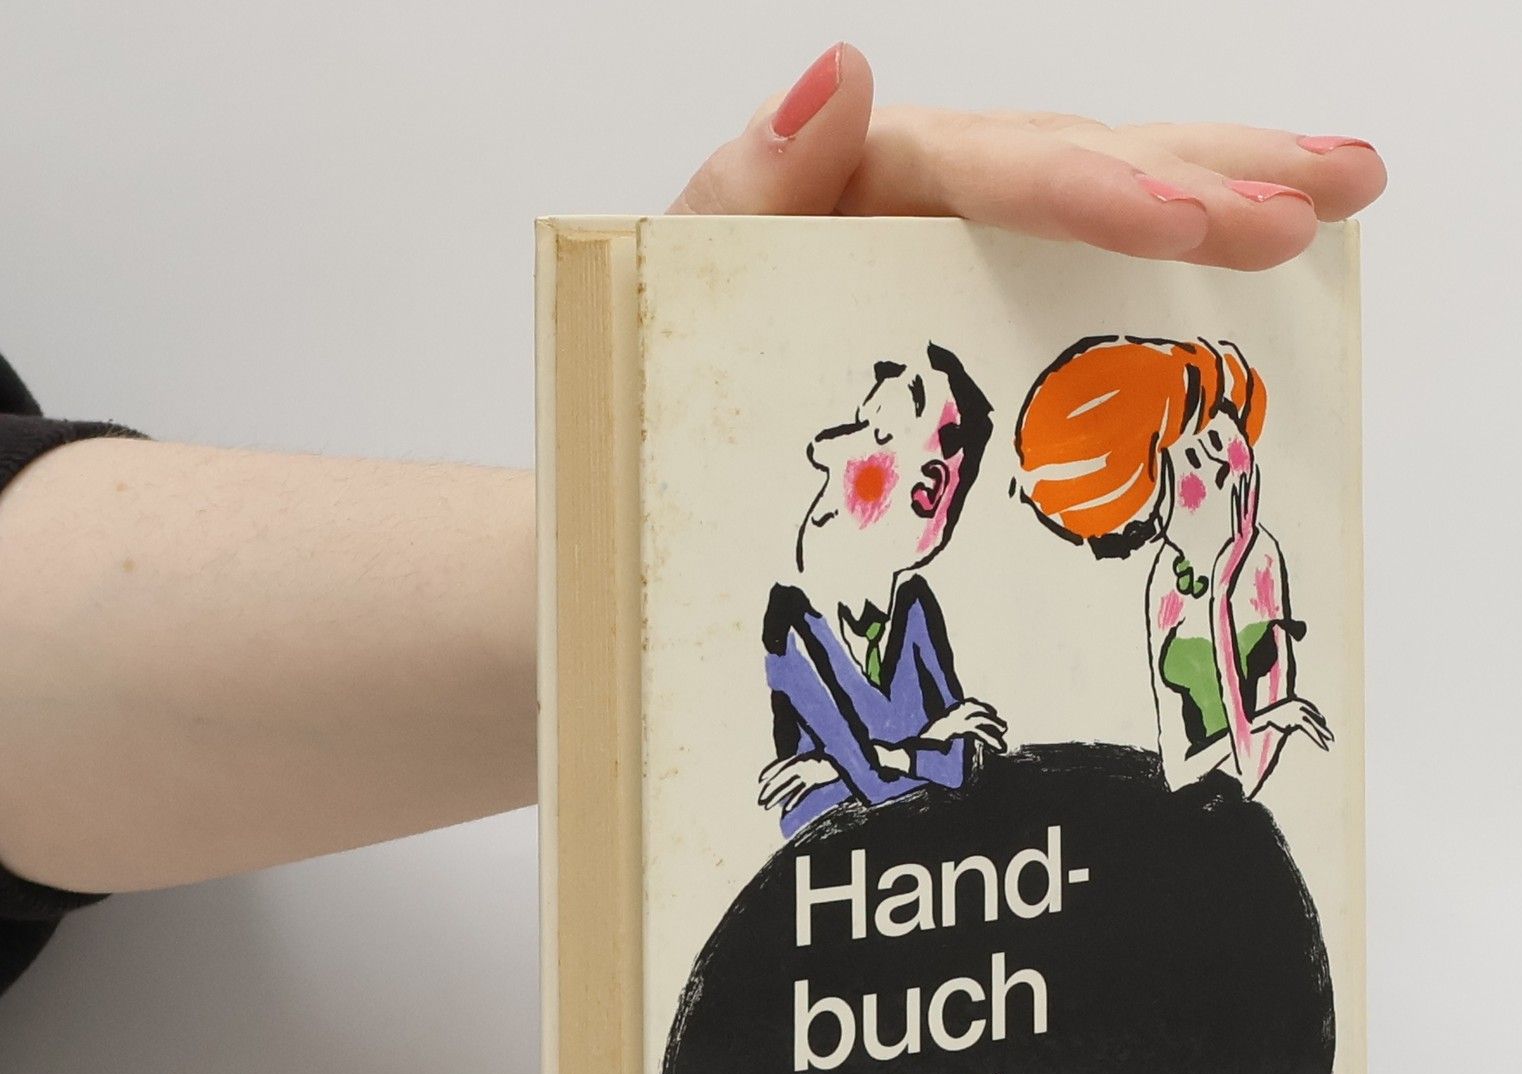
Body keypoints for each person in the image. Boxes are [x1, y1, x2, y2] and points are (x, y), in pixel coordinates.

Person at [0, 42, 1386, 994]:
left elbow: (946, 771)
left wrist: (635, 553)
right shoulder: (806, 624)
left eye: (949, 456)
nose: (935, 473)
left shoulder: (932, 613)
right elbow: (857, 779)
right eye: (909, 432)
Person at [1015, 335, 1331, 801]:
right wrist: (1219, 595)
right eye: (1193, 458)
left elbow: (1253, 771)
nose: (1223, 463)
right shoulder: (1167, 583)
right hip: (1195, 810)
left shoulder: (1264, 557)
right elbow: (1179, 769)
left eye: (1223, 436)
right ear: (1142, 502)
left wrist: (1228, 583)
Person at [758, 344, 1005, 835]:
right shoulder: (791, 623)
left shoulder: (915, 608)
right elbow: (875, 783)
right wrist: (922, 743)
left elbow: (958, 765)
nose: (824, 447)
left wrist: (835, 767)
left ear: (927, 491)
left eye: (876, 433)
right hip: (828, 865)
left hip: (928, 858)